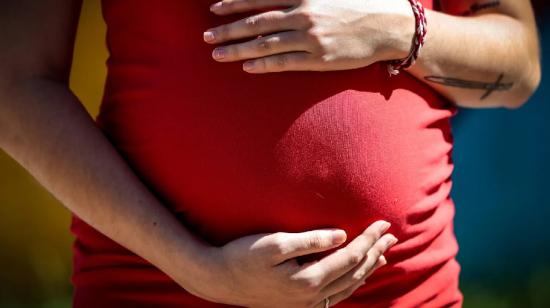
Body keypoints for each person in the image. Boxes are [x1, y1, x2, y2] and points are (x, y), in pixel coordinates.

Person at [0, 0, 540, 307]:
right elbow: (14, 83)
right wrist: (197, 269)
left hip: (402, 290)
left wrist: (395, 29)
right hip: (154, 287)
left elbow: (518, 70)